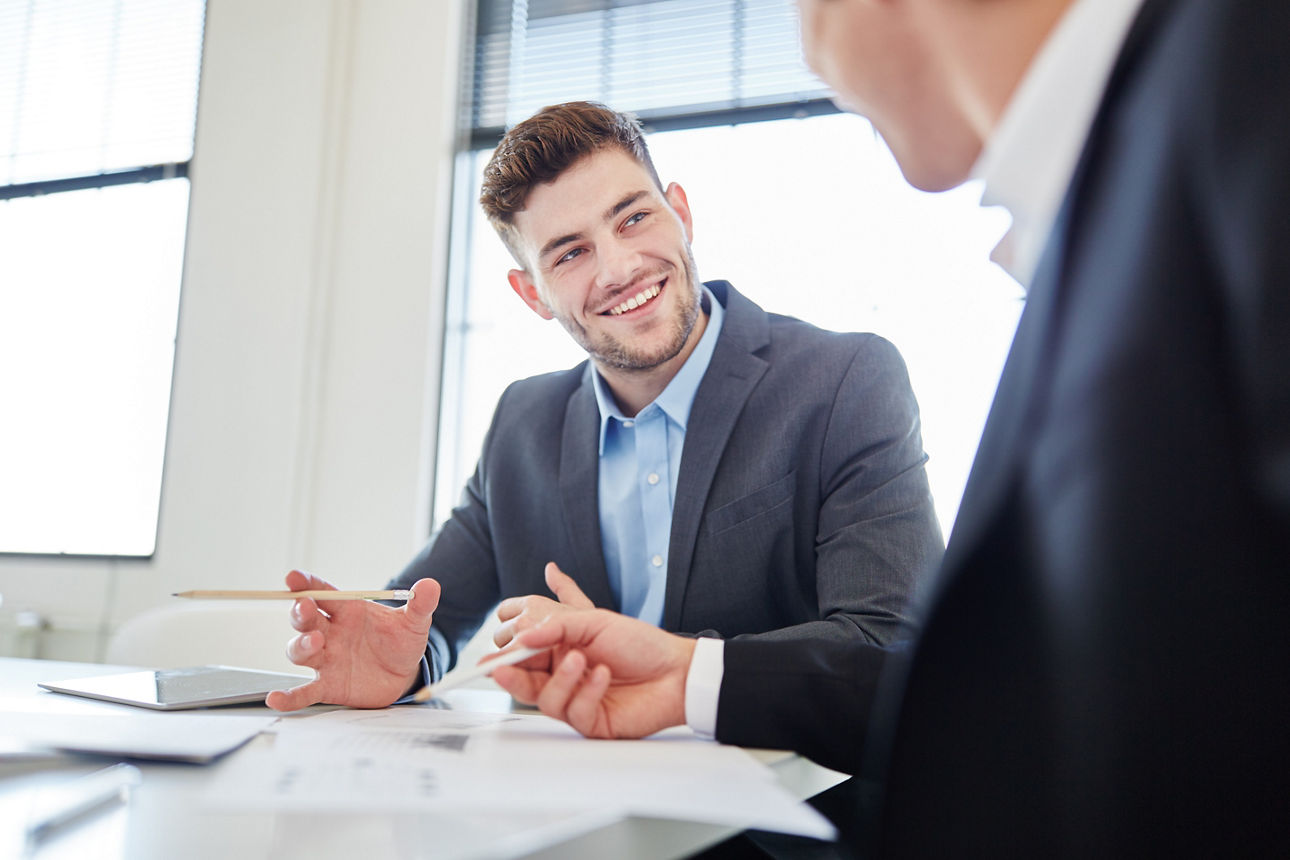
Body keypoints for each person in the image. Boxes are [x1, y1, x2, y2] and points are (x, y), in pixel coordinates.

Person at [490, 0, 1290, 856]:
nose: (810, 51)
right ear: (533, 292)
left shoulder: (1249, 75)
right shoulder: (1122, 184)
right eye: (569, 252)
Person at [265, 101, 943, 713]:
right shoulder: (522, 424)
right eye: (570, 254)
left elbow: (885, 646)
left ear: (681, 211)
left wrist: (675, 672)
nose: (619, 268)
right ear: (531, 294)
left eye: (635, 217)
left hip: (778, 832)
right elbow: (423, 619)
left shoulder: (845, 381)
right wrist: (403, 661)